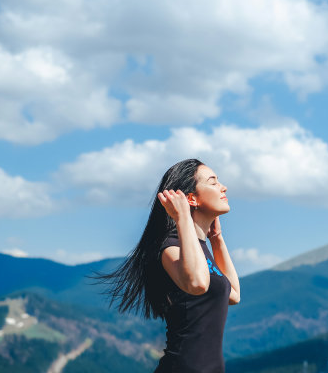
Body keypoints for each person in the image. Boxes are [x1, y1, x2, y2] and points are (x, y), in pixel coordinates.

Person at [94, 158, 240, 373]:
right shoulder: (171, 247)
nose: (223, 186)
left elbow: (233, 294)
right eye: (213, 182)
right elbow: (197, 283)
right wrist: (182, 219)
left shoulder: (202, 249)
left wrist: (217, 238)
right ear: (191, 199)